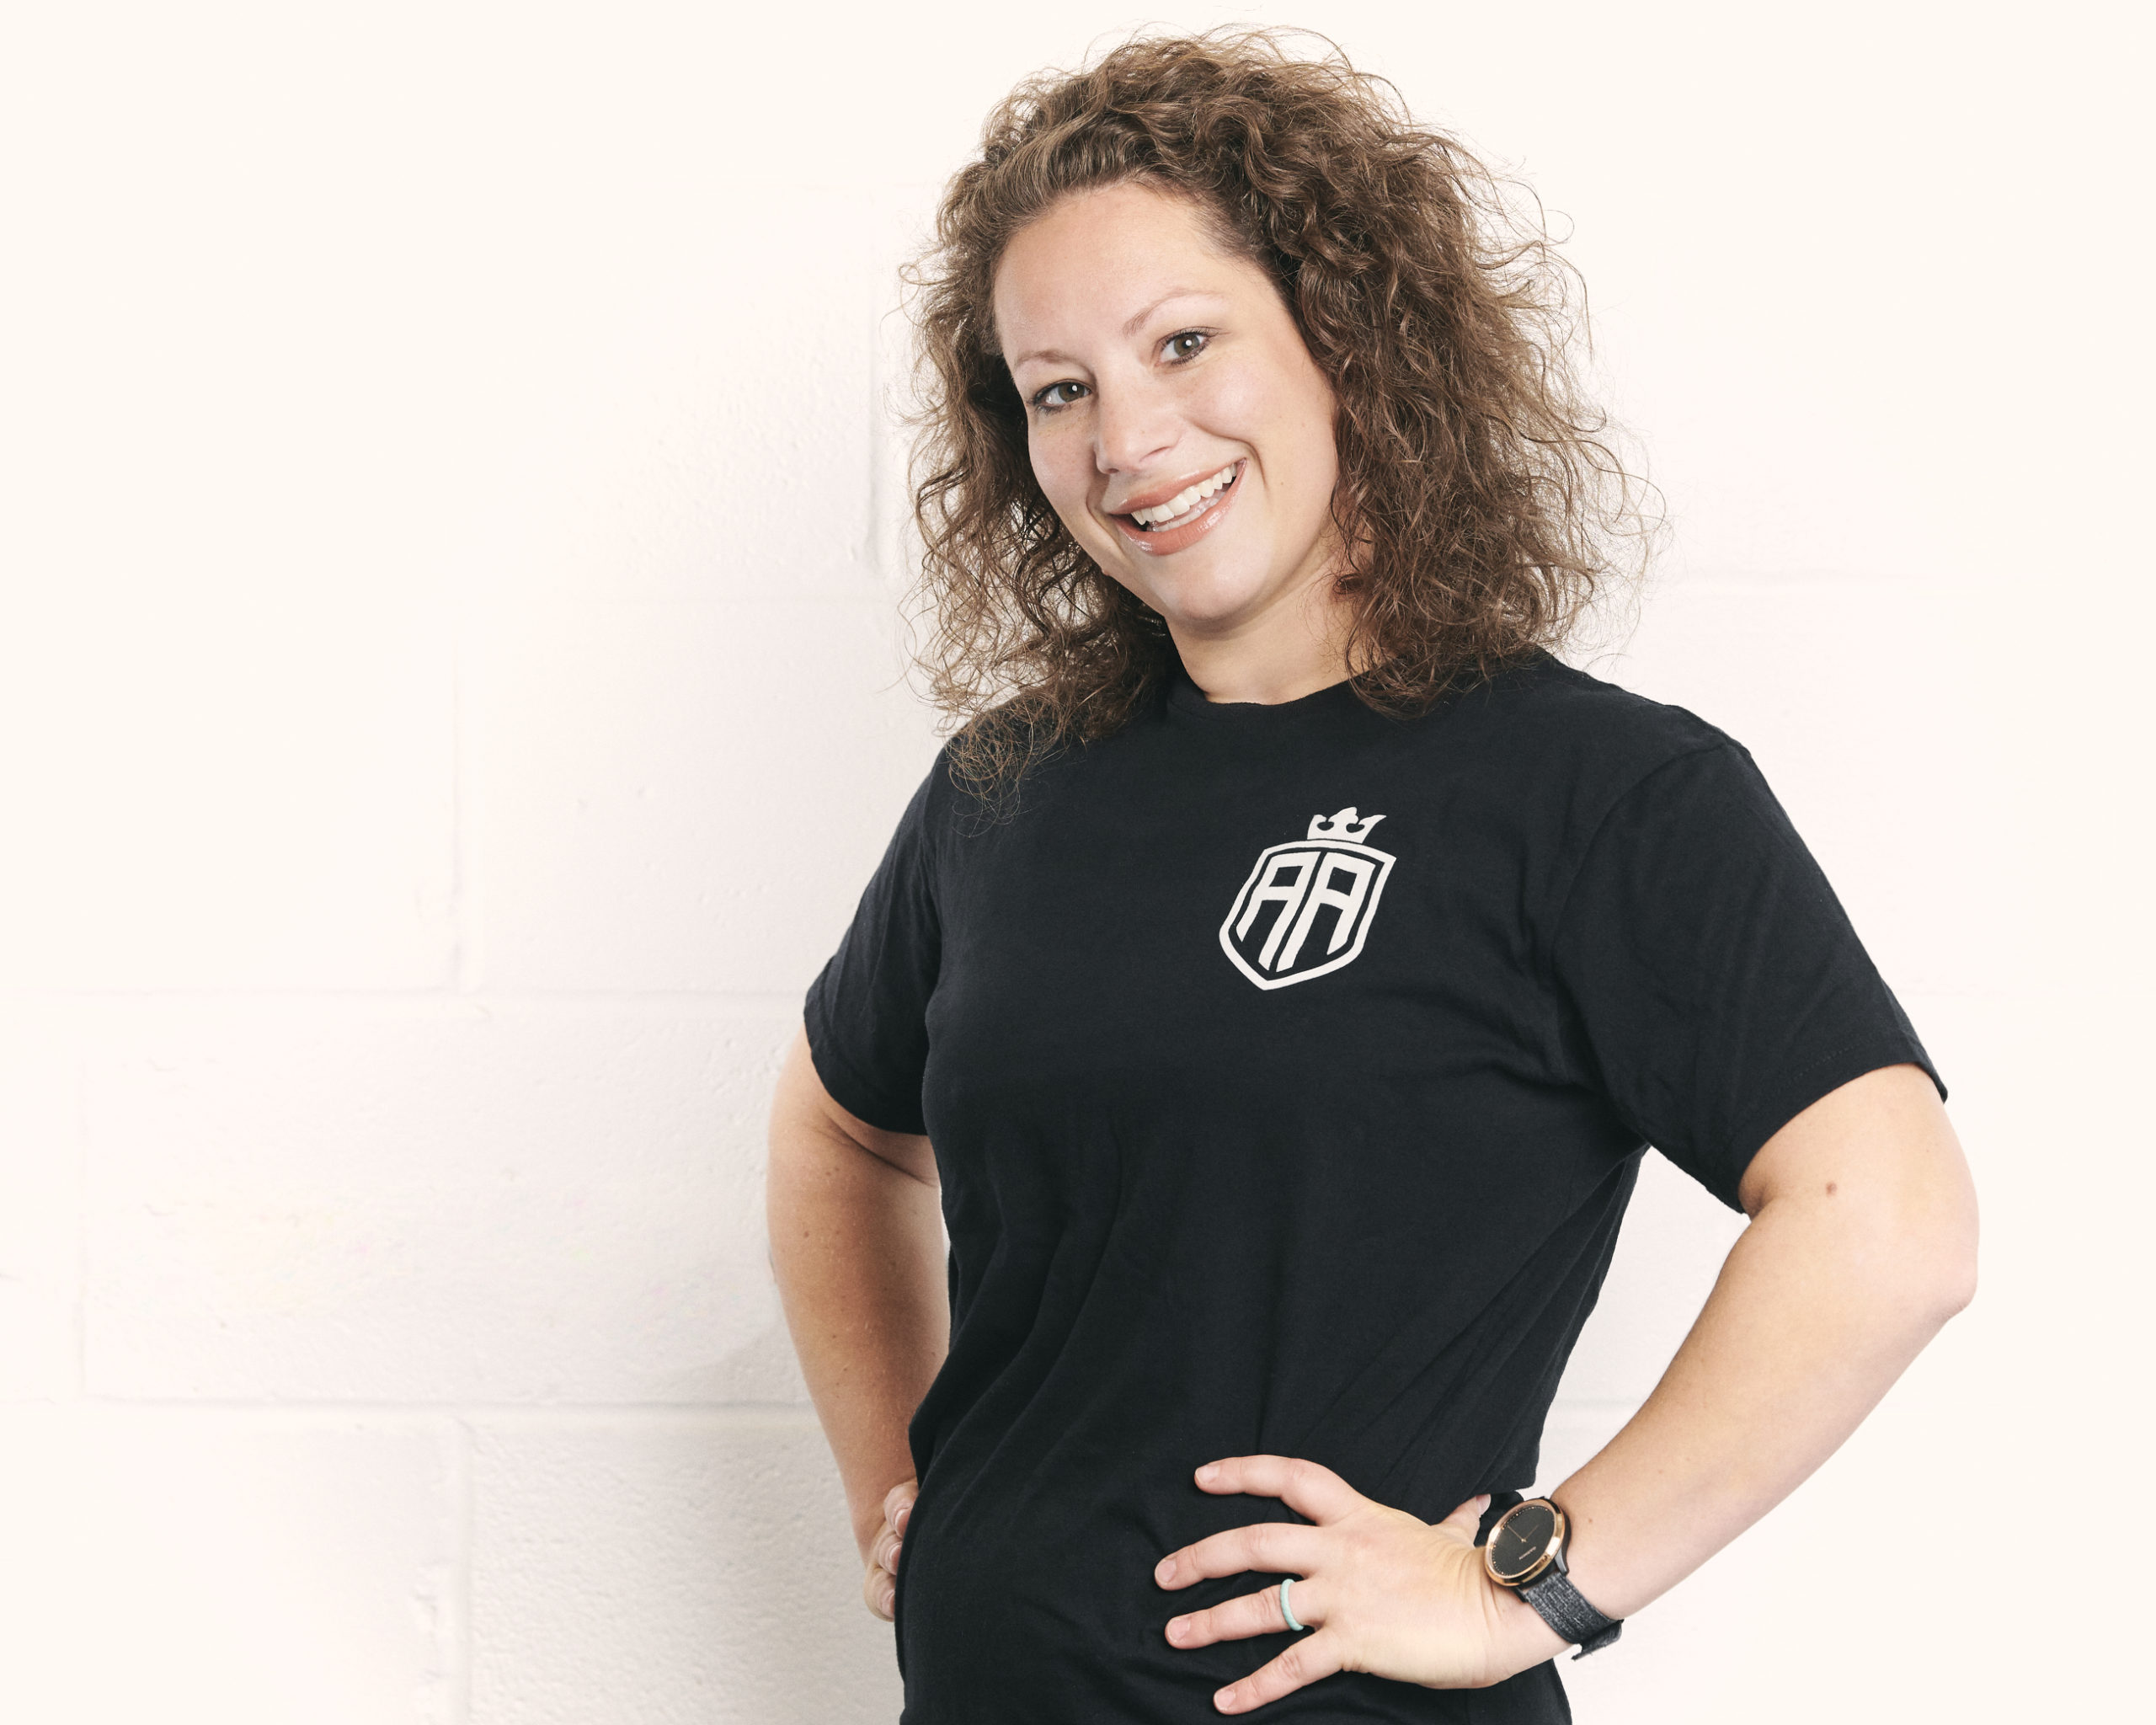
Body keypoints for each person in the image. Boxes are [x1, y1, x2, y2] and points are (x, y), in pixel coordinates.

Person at [766, 29, 1976, 1723]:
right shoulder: (1004, 793)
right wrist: (901, 1468)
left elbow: (1889, 1221)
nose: (1127, 438)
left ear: (1345, 337)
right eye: (1058, 388)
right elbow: (838, 1124)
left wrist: (1525, 1586)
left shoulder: (1596, 793)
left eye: (1182, 343)